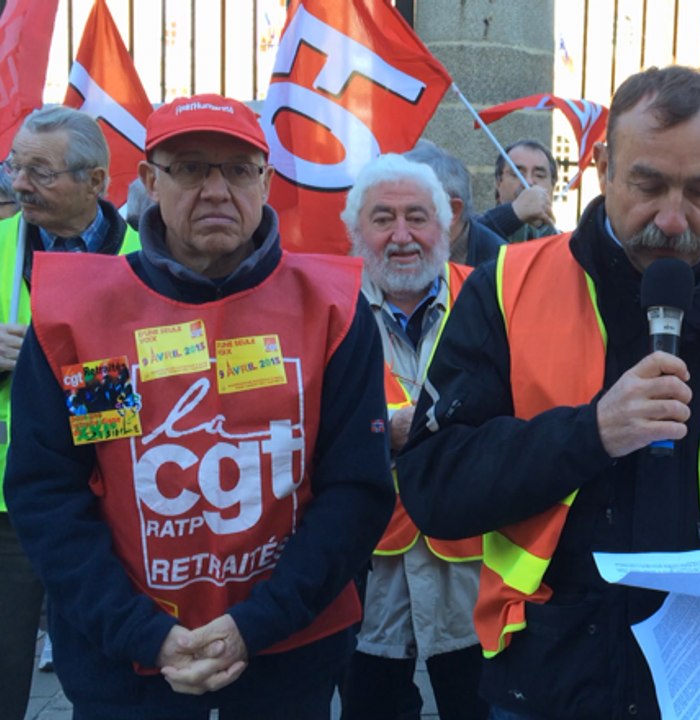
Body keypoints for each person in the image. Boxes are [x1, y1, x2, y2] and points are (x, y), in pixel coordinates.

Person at [396, 65, 700, 719]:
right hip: (552, 679)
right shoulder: (506, 287)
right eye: (648, 186)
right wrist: (591, 430)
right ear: (603, 167)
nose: (674, 219)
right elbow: (435, 486)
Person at [3, 93, 394, 718]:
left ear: (266, 182)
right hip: (127, 672)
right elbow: (52, 494)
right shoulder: (89, 318)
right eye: (190, 168)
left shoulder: (330, 311)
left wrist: (258, 623)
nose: (216, 189)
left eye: (238, 169)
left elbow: (355, 491)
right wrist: (144, 634)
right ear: (150, 182)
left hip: (285, 662)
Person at [0, 105, 140, 720]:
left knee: (108, 680)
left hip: (117, 509)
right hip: (8, 513)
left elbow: (167, 382)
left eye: (39, 171)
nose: (19, 184)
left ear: (96, 181)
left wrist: (46, 362)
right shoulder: (2, 246)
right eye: (14, 166)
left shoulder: (147, 259)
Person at [339, 153, 487, 720]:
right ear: (357, 231)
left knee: (474, 705)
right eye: (382, 219)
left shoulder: (491, 297)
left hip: (472, 560)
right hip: (367, 561)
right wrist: (383, 432)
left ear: (446, 223)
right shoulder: (331, 306)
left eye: (417, 217)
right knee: (370, 705)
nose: (402, 236)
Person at [404, 140, 506, 267]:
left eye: (414, 217)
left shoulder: (501, 266)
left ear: (452, 211)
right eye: (386, 218)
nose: (398, 235)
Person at [478, 139, 559, 243]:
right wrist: (513, 213)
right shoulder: (476, 236)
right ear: (498, 182)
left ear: (553, 186)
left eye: (539, 175)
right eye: (517, 174)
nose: (528, 182)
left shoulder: (567, 248)